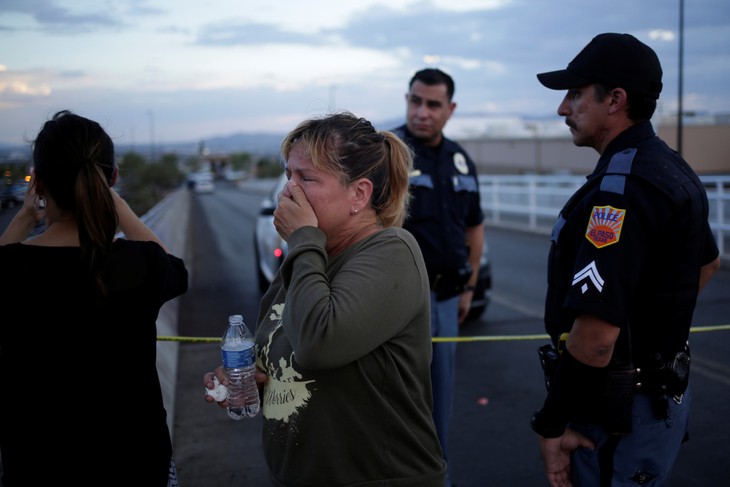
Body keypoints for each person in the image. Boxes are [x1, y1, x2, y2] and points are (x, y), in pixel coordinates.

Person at [204, 111, 446, 486]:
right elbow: (294, 351)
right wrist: (254, 380)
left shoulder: (392, 252)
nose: (289, 191)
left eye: (307, 178)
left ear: (359, 194)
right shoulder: (310, 259)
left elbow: (320, 343)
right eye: (288, 175)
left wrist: (302, 239)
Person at [530, 33, 721, 487]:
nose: (563, 109)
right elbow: (706, 264)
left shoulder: (621, 192)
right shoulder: (670, 167)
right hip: (655, 400)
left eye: (575, 94)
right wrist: (652, 330)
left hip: (618, 414)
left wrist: (552, 424)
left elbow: (596, 338)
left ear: (616, 99)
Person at [0, 110, 189, 486]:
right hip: (135, 464)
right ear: (112, 179)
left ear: (38, 183)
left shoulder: (12, 268)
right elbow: (174, 269)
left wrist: (22, 219)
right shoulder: (138, 264)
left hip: (36, 468)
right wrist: (119, 207)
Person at [392, 67, 485, 485]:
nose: (422, 112)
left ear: (450, 109)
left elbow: (474, 227)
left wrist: (469, 287)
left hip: (446, 299)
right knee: (396, 397)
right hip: (396, 302)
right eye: (415, 101)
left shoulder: (461, 160)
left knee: (440, 397)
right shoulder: (385, 152)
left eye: (433, 104)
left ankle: (436, 477)